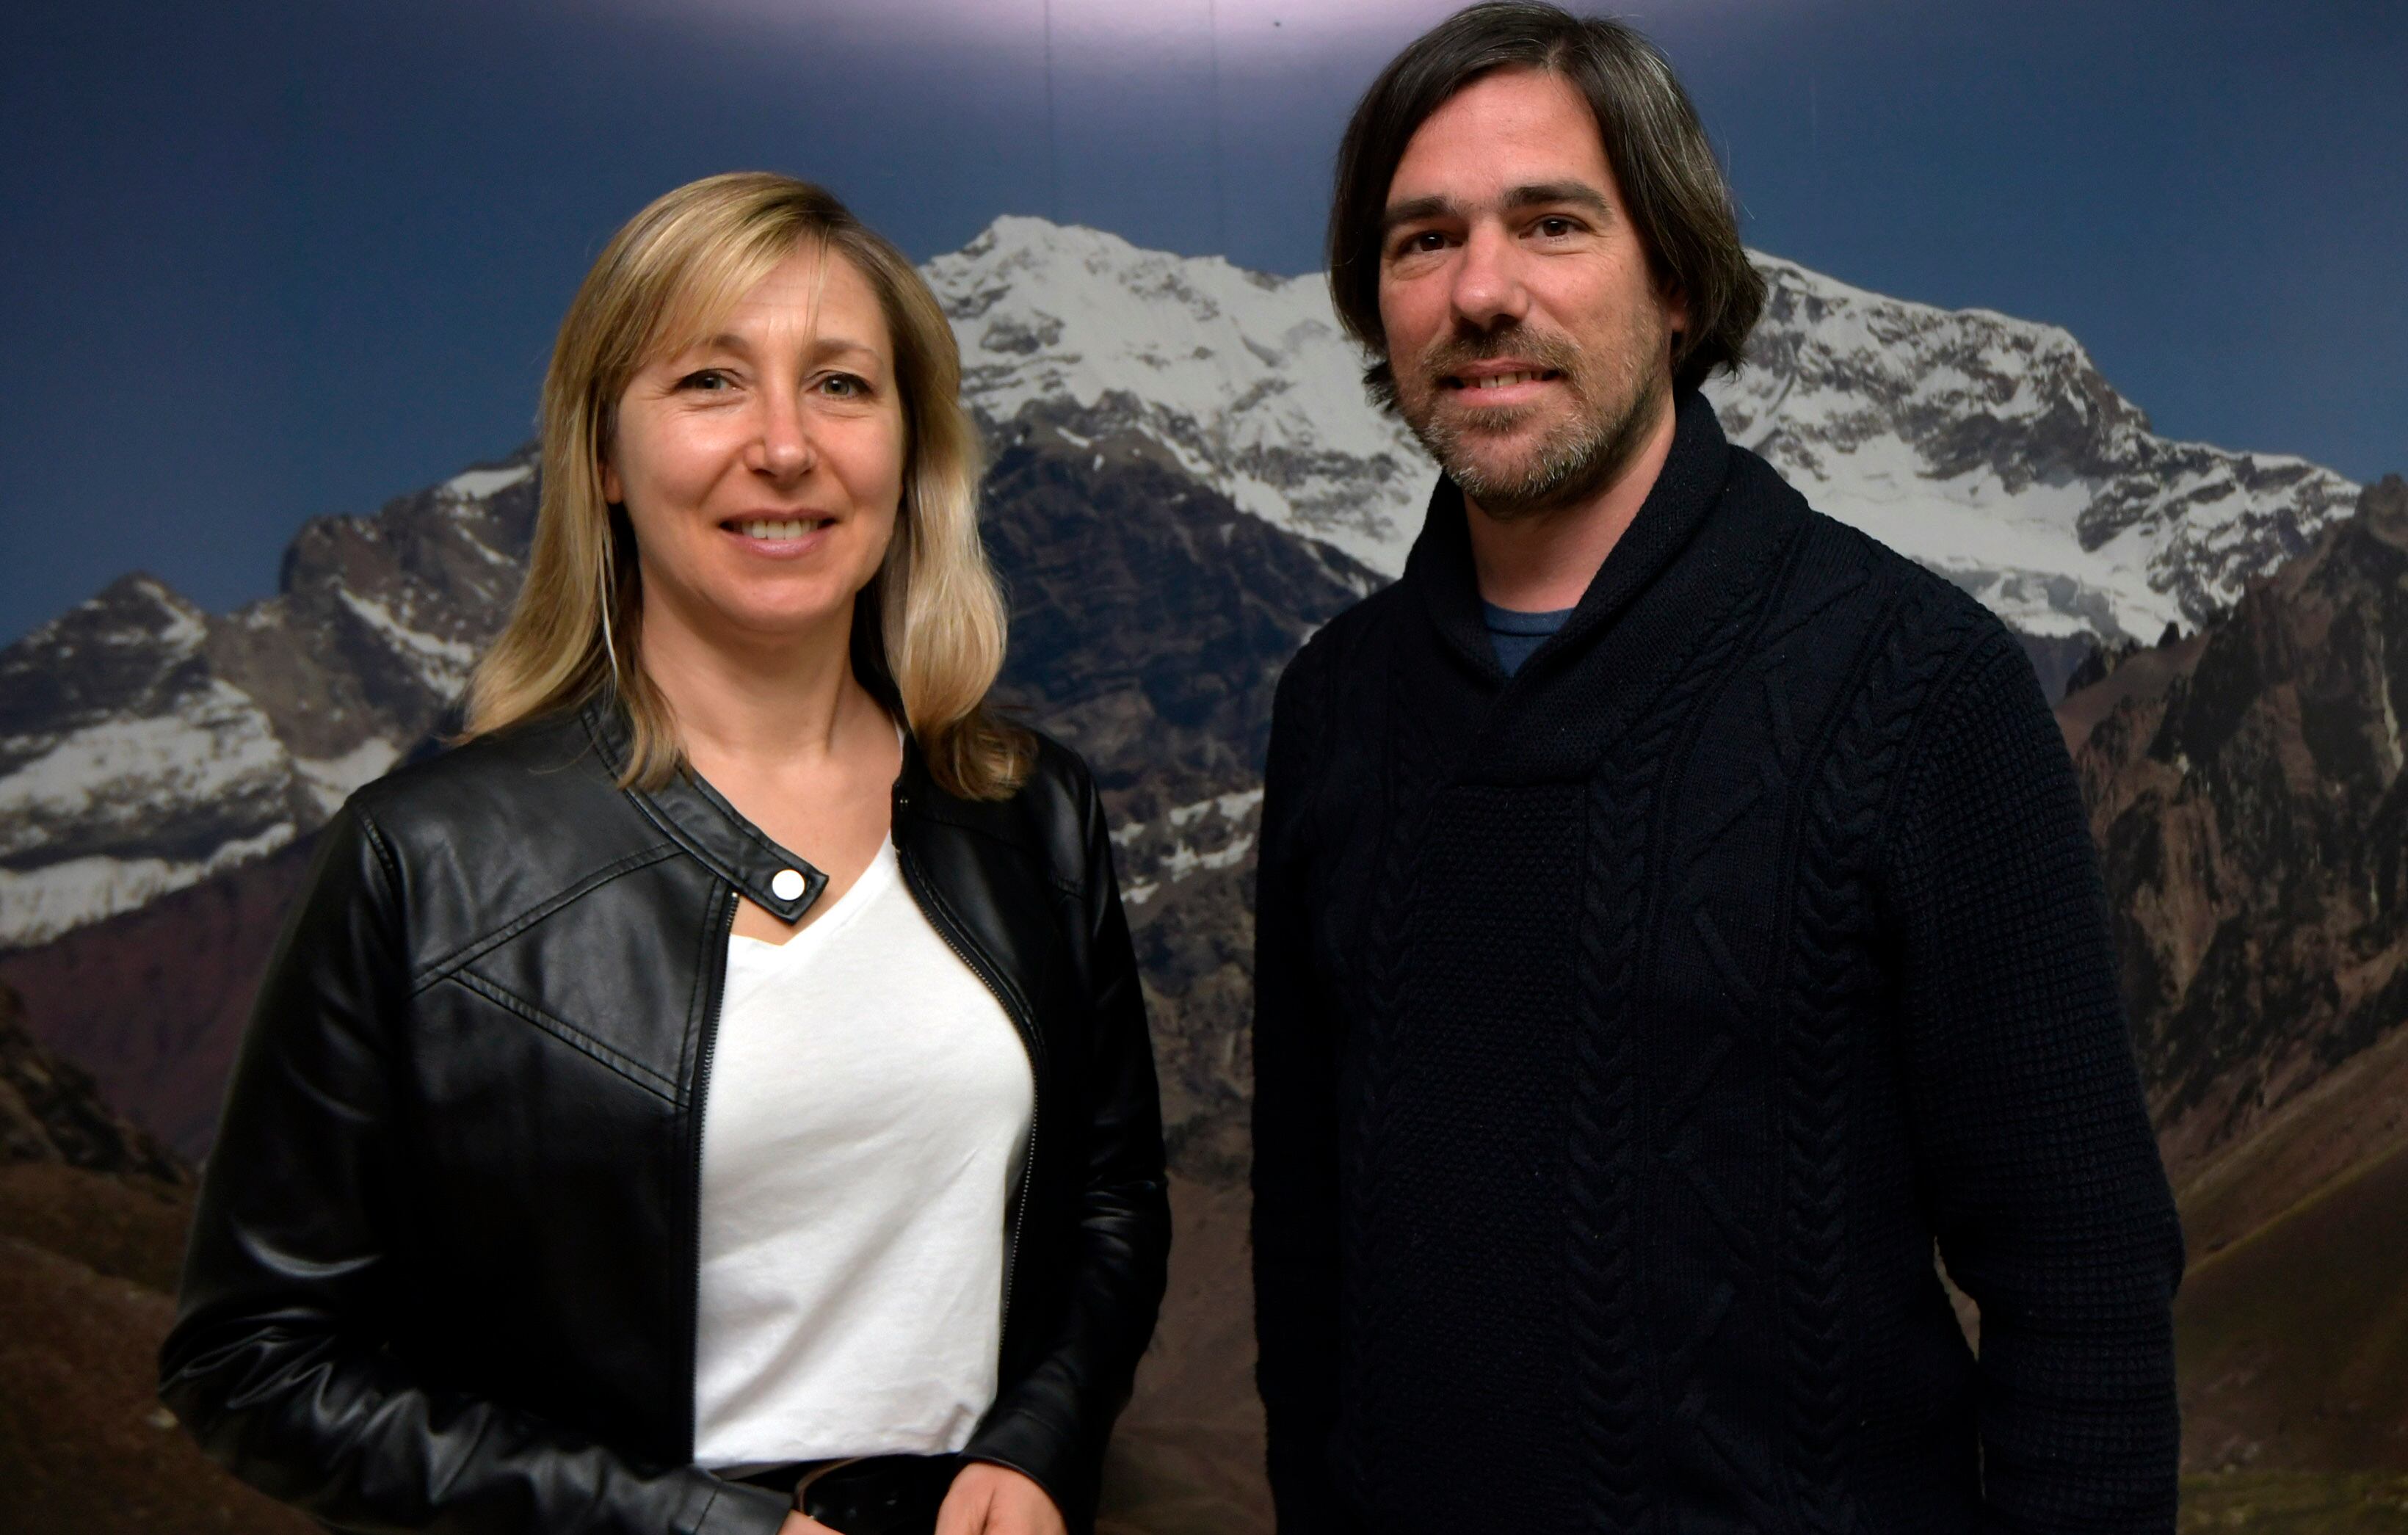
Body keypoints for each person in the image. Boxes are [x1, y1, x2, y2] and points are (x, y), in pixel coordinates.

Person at [1250, 7, 2184, 1532]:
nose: (1479, 290)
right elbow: (1305, 1262)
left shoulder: (1915, 689)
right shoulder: (1333, 708)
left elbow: (2077, 1270)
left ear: (1673, 277)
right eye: (1421, 242)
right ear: (1374, 304)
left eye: (1549, 222)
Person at [161, 172, 1169, 1535]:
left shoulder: (1029, 810)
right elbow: (253, 1362)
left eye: (842, 386)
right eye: (708, 382)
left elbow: (1111, 1200)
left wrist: (1040, 1442)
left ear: (909, 449)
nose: (786, 446)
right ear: (599, 460)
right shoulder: (427, 861)